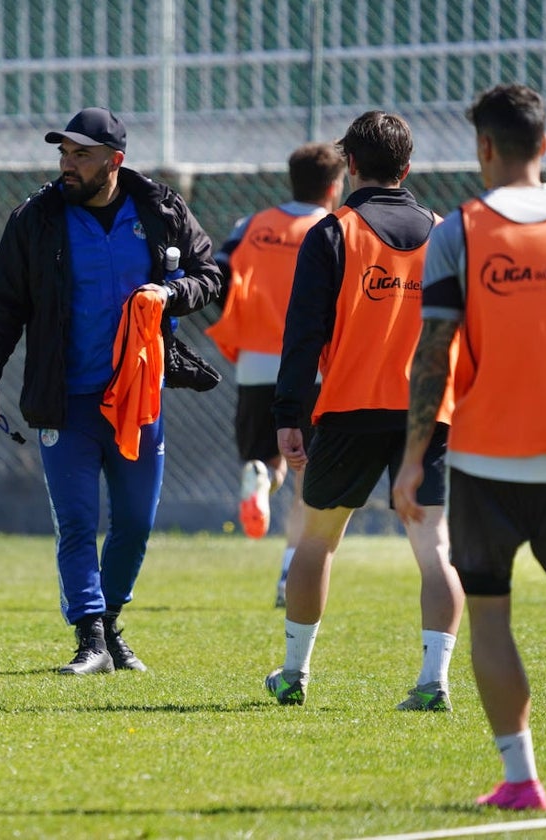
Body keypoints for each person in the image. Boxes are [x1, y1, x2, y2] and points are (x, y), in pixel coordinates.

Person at [393, 83, 546, 812]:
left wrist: (416, 453)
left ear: (484, 147)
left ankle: (521, 776)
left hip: (483, 453)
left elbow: (434, 351)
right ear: (545, 145)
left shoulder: (460, 229)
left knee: (490, 614)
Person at [0, 107, 222, 675]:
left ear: (115, 160)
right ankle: (91, 637)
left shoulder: (159, 209)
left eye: (81, 154)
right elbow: (4, 305)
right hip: (66, 399)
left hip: (139, 395)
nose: (68, 164)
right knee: (78, 520)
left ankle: (109, 628)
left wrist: (169, 295)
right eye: (64, 153)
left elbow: (211, 274)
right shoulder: (34, 219)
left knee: (134, 521)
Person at [265, 110, 464, 711]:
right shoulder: (443, 230)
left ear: (350, 164)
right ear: (407, 167)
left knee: (316, 543)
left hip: (349, 410)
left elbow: (303, 335)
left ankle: (295, 674)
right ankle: (434, 681)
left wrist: (287, 414)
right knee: (435, 548)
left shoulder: (332, 232)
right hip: (428, 417)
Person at [204, 142, 346, 607]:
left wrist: (243, 322)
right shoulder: (333, 228)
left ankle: (261, 477)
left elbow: (216, 278)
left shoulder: (253, 225)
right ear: (333, 186)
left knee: (269, 456)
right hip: (316, 368)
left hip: (257, 363)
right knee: (309, 480)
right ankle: (289, 578)